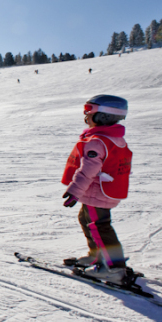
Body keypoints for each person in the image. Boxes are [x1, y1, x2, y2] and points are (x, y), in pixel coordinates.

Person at [61, 95, 132, 285]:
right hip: (100, 191)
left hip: (97, 193)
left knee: (99, 226)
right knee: (86, 219)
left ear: (103, 117)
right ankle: (96, 256)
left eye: (89, 114)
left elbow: (88, 170)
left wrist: (74, 191)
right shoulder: (113, 138)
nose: (86, 117)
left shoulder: (97, 141)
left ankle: (114, 269)